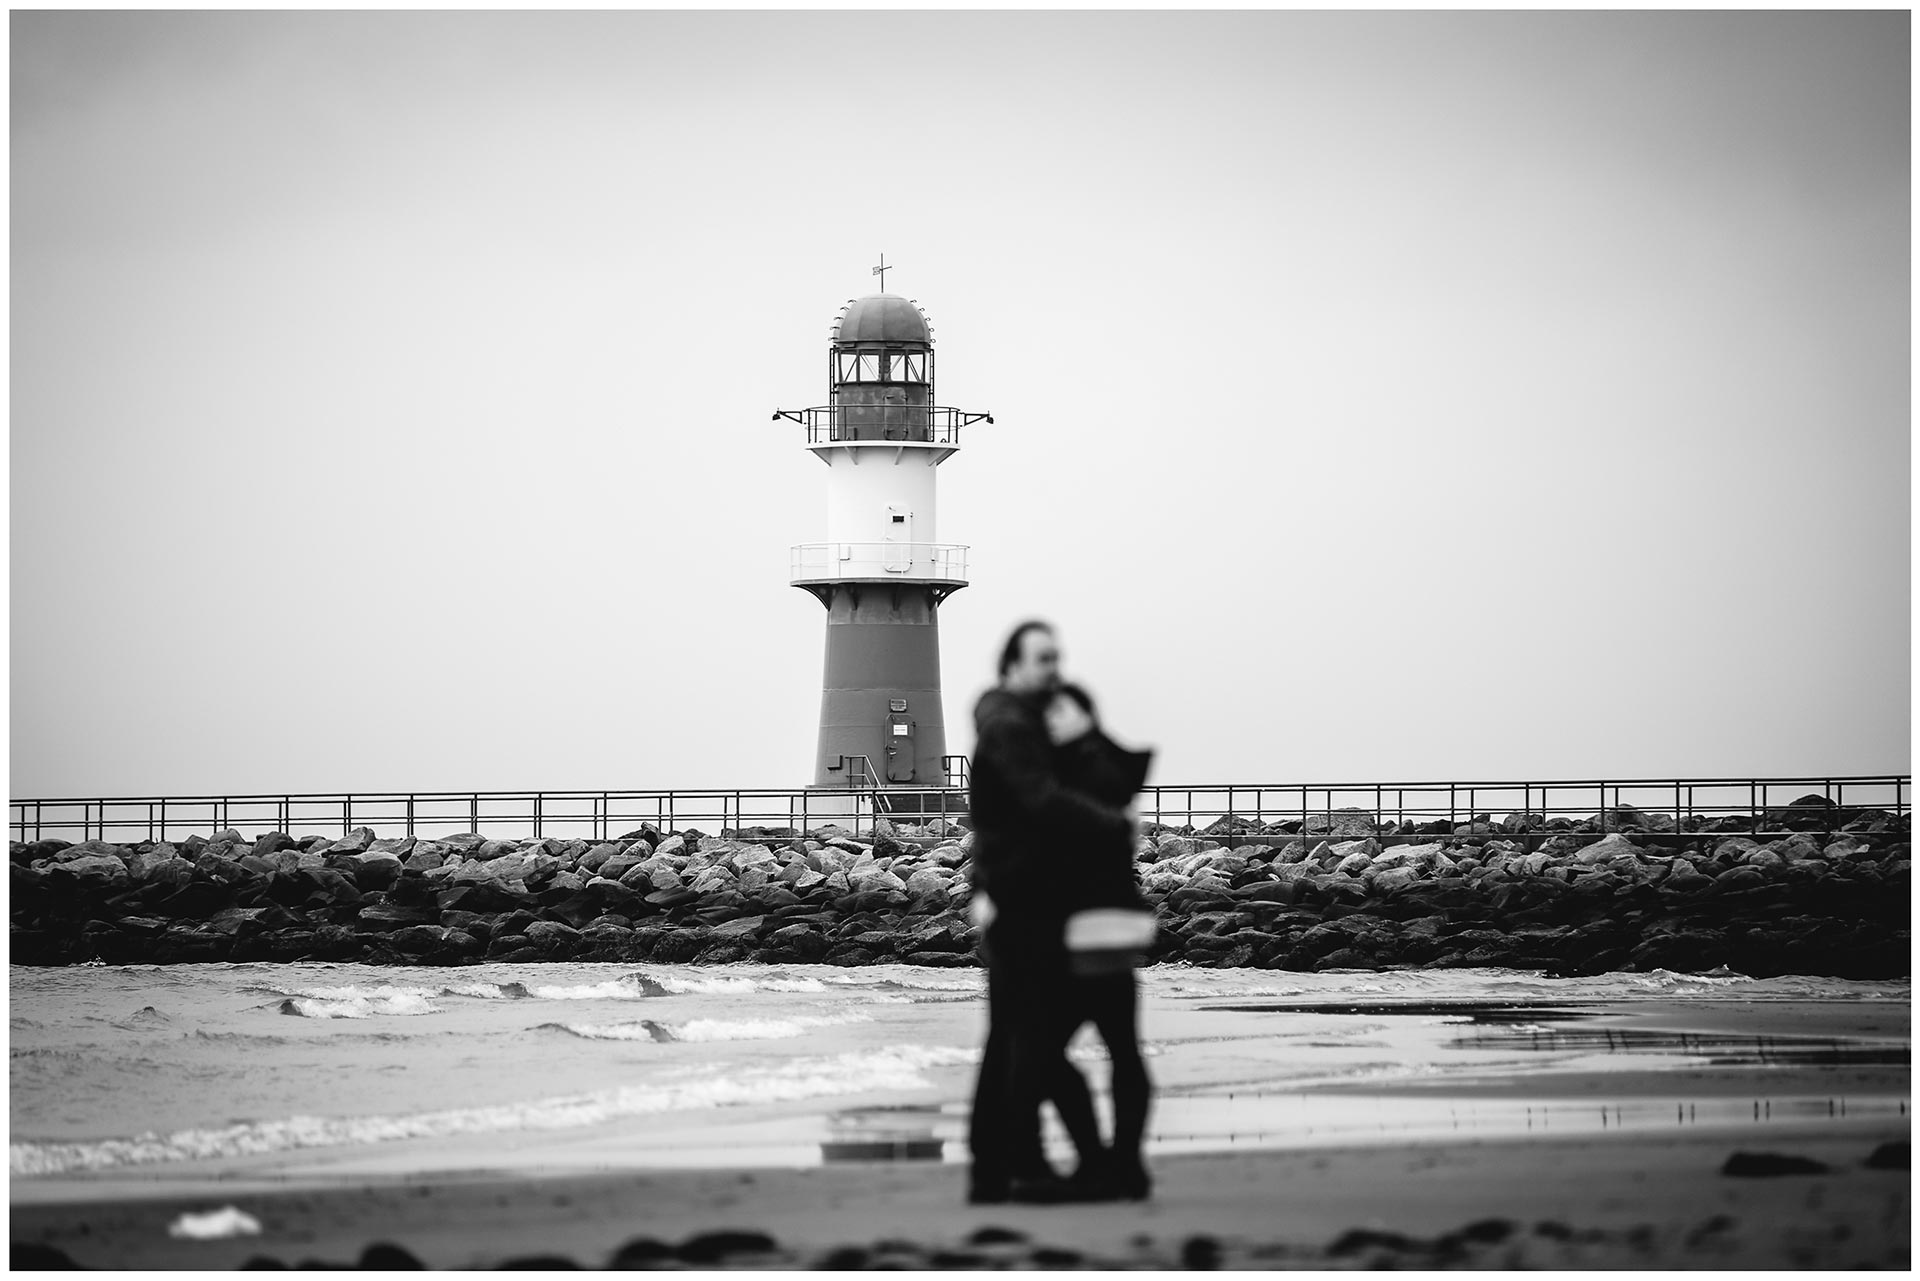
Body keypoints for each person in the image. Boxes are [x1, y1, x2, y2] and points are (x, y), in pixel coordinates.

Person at [965, 621, 1134, 1204]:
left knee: (1016, 1040)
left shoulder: (1019, 720)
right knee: (1027, 1041)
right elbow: (1035, 801)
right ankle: (1022, 1163)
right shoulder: (1011, 725)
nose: (1054, 669)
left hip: (1022, 898)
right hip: (1021, 903)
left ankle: (1002, 1165)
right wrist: (1110, 827)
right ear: (1011, 664)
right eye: (1042, 659)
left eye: (1057, 658)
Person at [1039, 681, 1157, 1201]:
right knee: (1118, 1051)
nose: (1051, 722)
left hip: (1092, 928)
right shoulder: (1089, 766)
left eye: (1061, 712)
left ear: (1086, 714)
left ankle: (1107, 1162)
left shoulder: (1094, 767)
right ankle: (1116, 1164)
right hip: (1098, 925)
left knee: (1046, 1052)